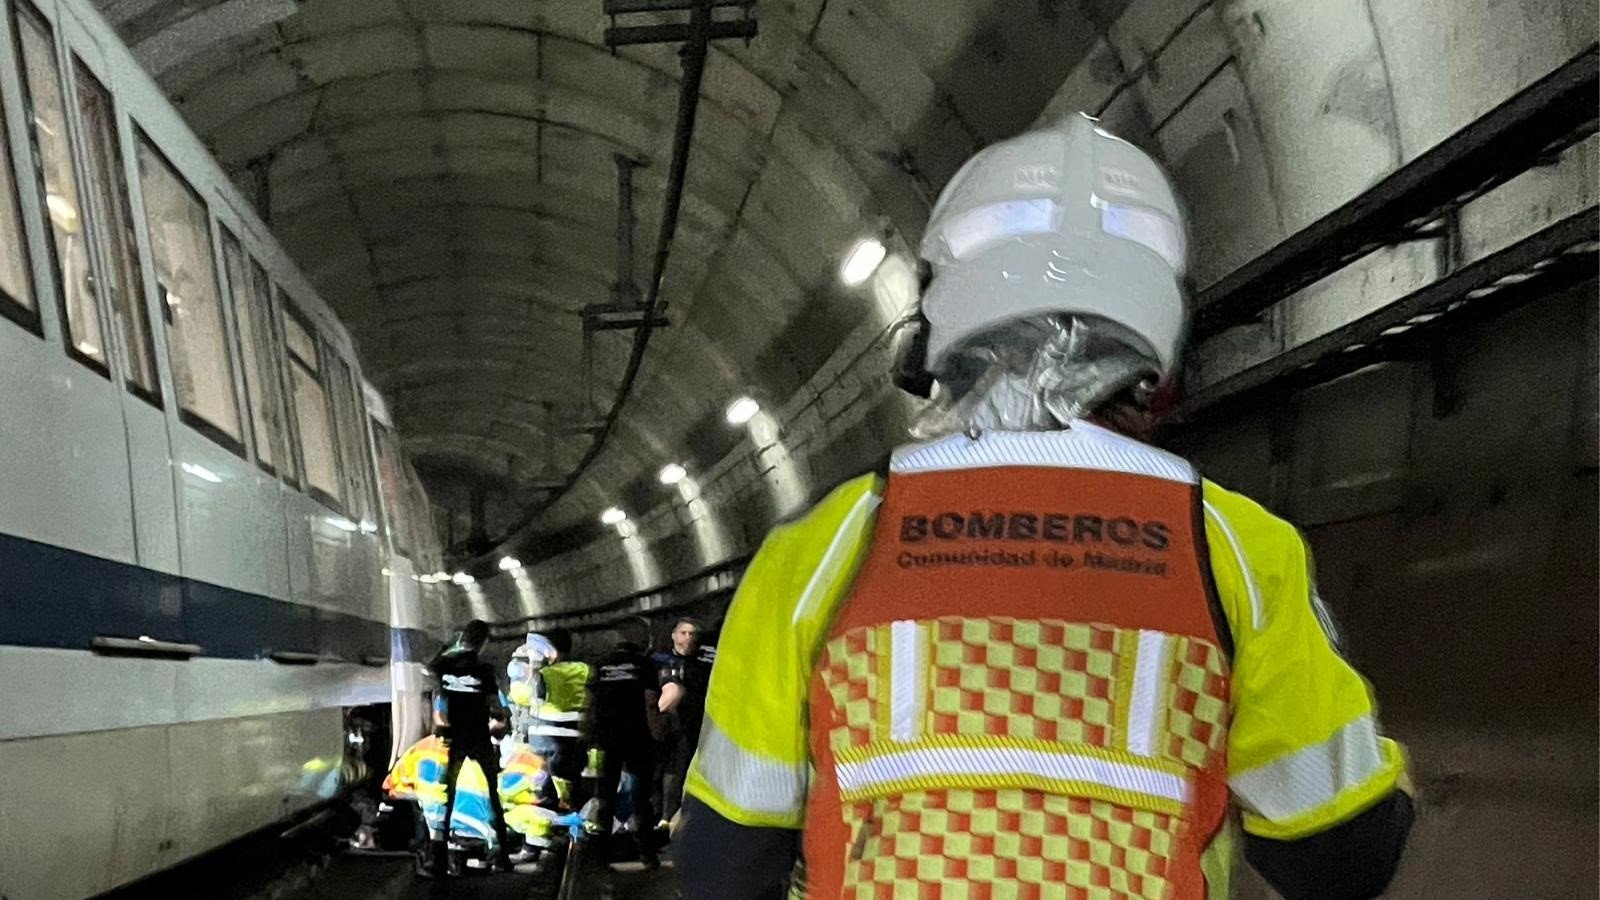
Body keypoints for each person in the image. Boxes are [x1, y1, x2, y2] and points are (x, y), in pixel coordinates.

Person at [677, 113, 1413, 900]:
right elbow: (1342, 856)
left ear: (939, 318)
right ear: (1158, 341)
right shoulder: (1234, 548)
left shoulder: (825, 549)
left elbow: (723, 864)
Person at [426, 619, 512, 874]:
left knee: (446, 798)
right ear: (484, 642)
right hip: (479, 737)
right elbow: (496, 705)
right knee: (493, 796)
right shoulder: (484, 669)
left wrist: (450, 646)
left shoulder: (445, 665)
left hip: (455, 738)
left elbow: (428, 669)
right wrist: (501, 720)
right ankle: (502, 856)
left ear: (464, 638)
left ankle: (438, 859)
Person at [591, 618, 663, 868]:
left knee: (606, 797)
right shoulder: (645, 664)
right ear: (640, 637)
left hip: (608, 739)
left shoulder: (600, 665)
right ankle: (647, 853)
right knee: (641, 797)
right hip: (637, 736)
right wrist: (658, 737)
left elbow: (590, 704)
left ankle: (601, 856)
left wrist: (588, 737)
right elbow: (651, 702)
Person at [653, 617, 715, 831]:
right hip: (664, 726)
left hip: (693, 725)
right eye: (684, 633)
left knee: (682, 770)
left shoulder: (701, 664)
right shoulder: (660, 660)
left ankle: (673, 816)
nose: (688, 638)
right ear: (673, 635)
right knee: (662, 772)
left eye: (693, 634)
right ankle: (663, 815)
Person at [528, 629, 590, 809]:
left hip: (542, 739)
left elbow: (533, 699)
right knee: (571, 785)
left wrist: (533, 669)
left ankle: (551, 824)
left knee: (544, 790)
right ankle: (573, 828)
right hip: (572, 738)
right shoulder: (584, 670)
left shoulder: (544, 674)